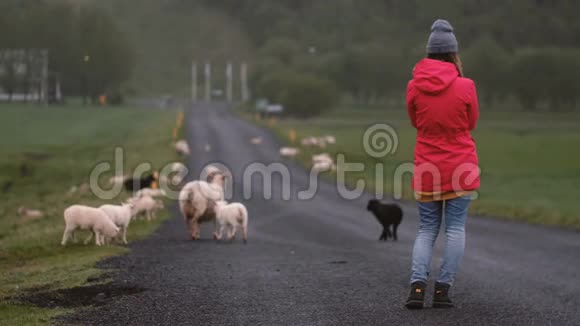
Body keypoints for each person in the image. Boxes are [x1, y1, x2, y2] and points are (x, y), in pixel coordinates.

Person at [405, 19, 480, 309]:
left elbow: (415, 122)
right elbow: (471, 123)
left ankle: (417, 288)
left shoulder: (414, 85)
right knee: (455, 229)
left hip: (427, 167)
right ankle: (443, 291)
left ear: (429, 52)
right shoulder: (466, 85)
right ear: (453, 54)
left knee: (426, 229)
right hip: (461, 165)